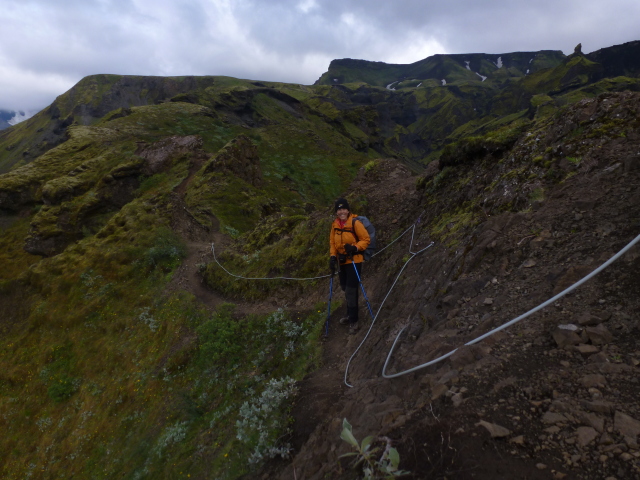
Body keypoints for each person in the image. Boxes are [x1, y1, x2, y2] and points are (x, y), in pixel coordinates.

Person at [329, 198, 370, 334]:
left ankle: (354, 320)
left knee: (351, 290)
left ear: (348, 210)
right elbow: (333, 243)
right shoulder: (335, 225)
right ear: (336, 212)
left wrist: (355, 248)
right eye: (339, 209)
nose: (341, 211)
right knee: (345, 288)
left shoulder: (355, 223)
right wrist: (332, 257)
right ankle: (349, 313)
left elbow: (366, 239)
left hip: (354, 260)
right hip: (342, 262)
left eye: (343, 209)